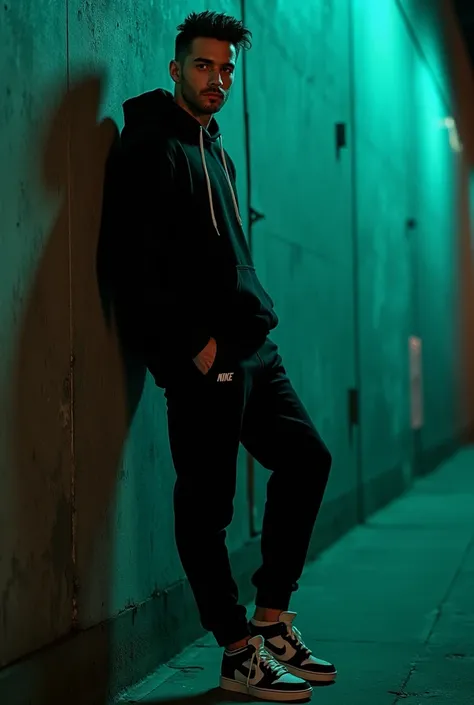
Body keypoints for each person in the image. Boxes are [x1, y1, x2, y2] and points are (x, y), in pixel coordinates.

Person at [105, 10, 335, 702]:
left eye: (226, 68)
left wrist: (238, 336)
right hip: (207, 359)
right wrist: (194, 350)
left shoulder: (215, 146)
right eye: (203, 66)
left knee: (308, 459)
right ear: (175, 68)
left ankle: (272, 618)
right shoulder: (150, 147)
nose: (217, 79)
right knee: (206, 510)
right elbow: (128, 264)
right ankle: (237, 653)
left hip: (253, 346)